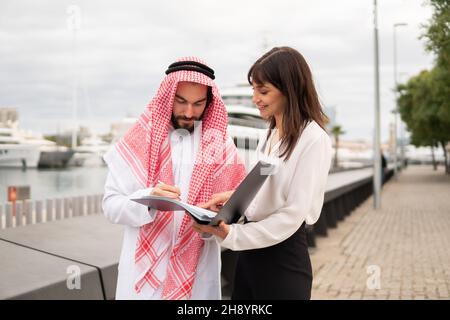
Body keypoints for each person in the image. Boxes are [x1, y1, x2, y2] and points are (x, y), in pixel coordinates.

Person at [102, 57, 246, 300]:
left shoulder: (221, 146)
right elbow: (111, 206)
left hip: (198, 272)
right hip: (142, 279)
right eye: (181, 102)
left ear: (209, 104)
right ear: (168, 96)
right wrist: (147, 200)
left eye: (198, 104)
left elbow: (238, 211)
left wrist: (220, 217)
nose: (189, 112)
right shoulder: (138, 141)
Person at [194, 47, 332, 300]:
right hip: (250, 257)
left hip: (283, 260)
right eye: (254, 90)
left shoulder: (314, 139)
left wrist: (234, 234)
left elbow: (293, 214)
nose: (255, 98)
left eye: (263, 90)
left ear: (289, 89)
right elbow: (265, 194)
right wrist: (232, 199)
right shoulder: (270, 134)